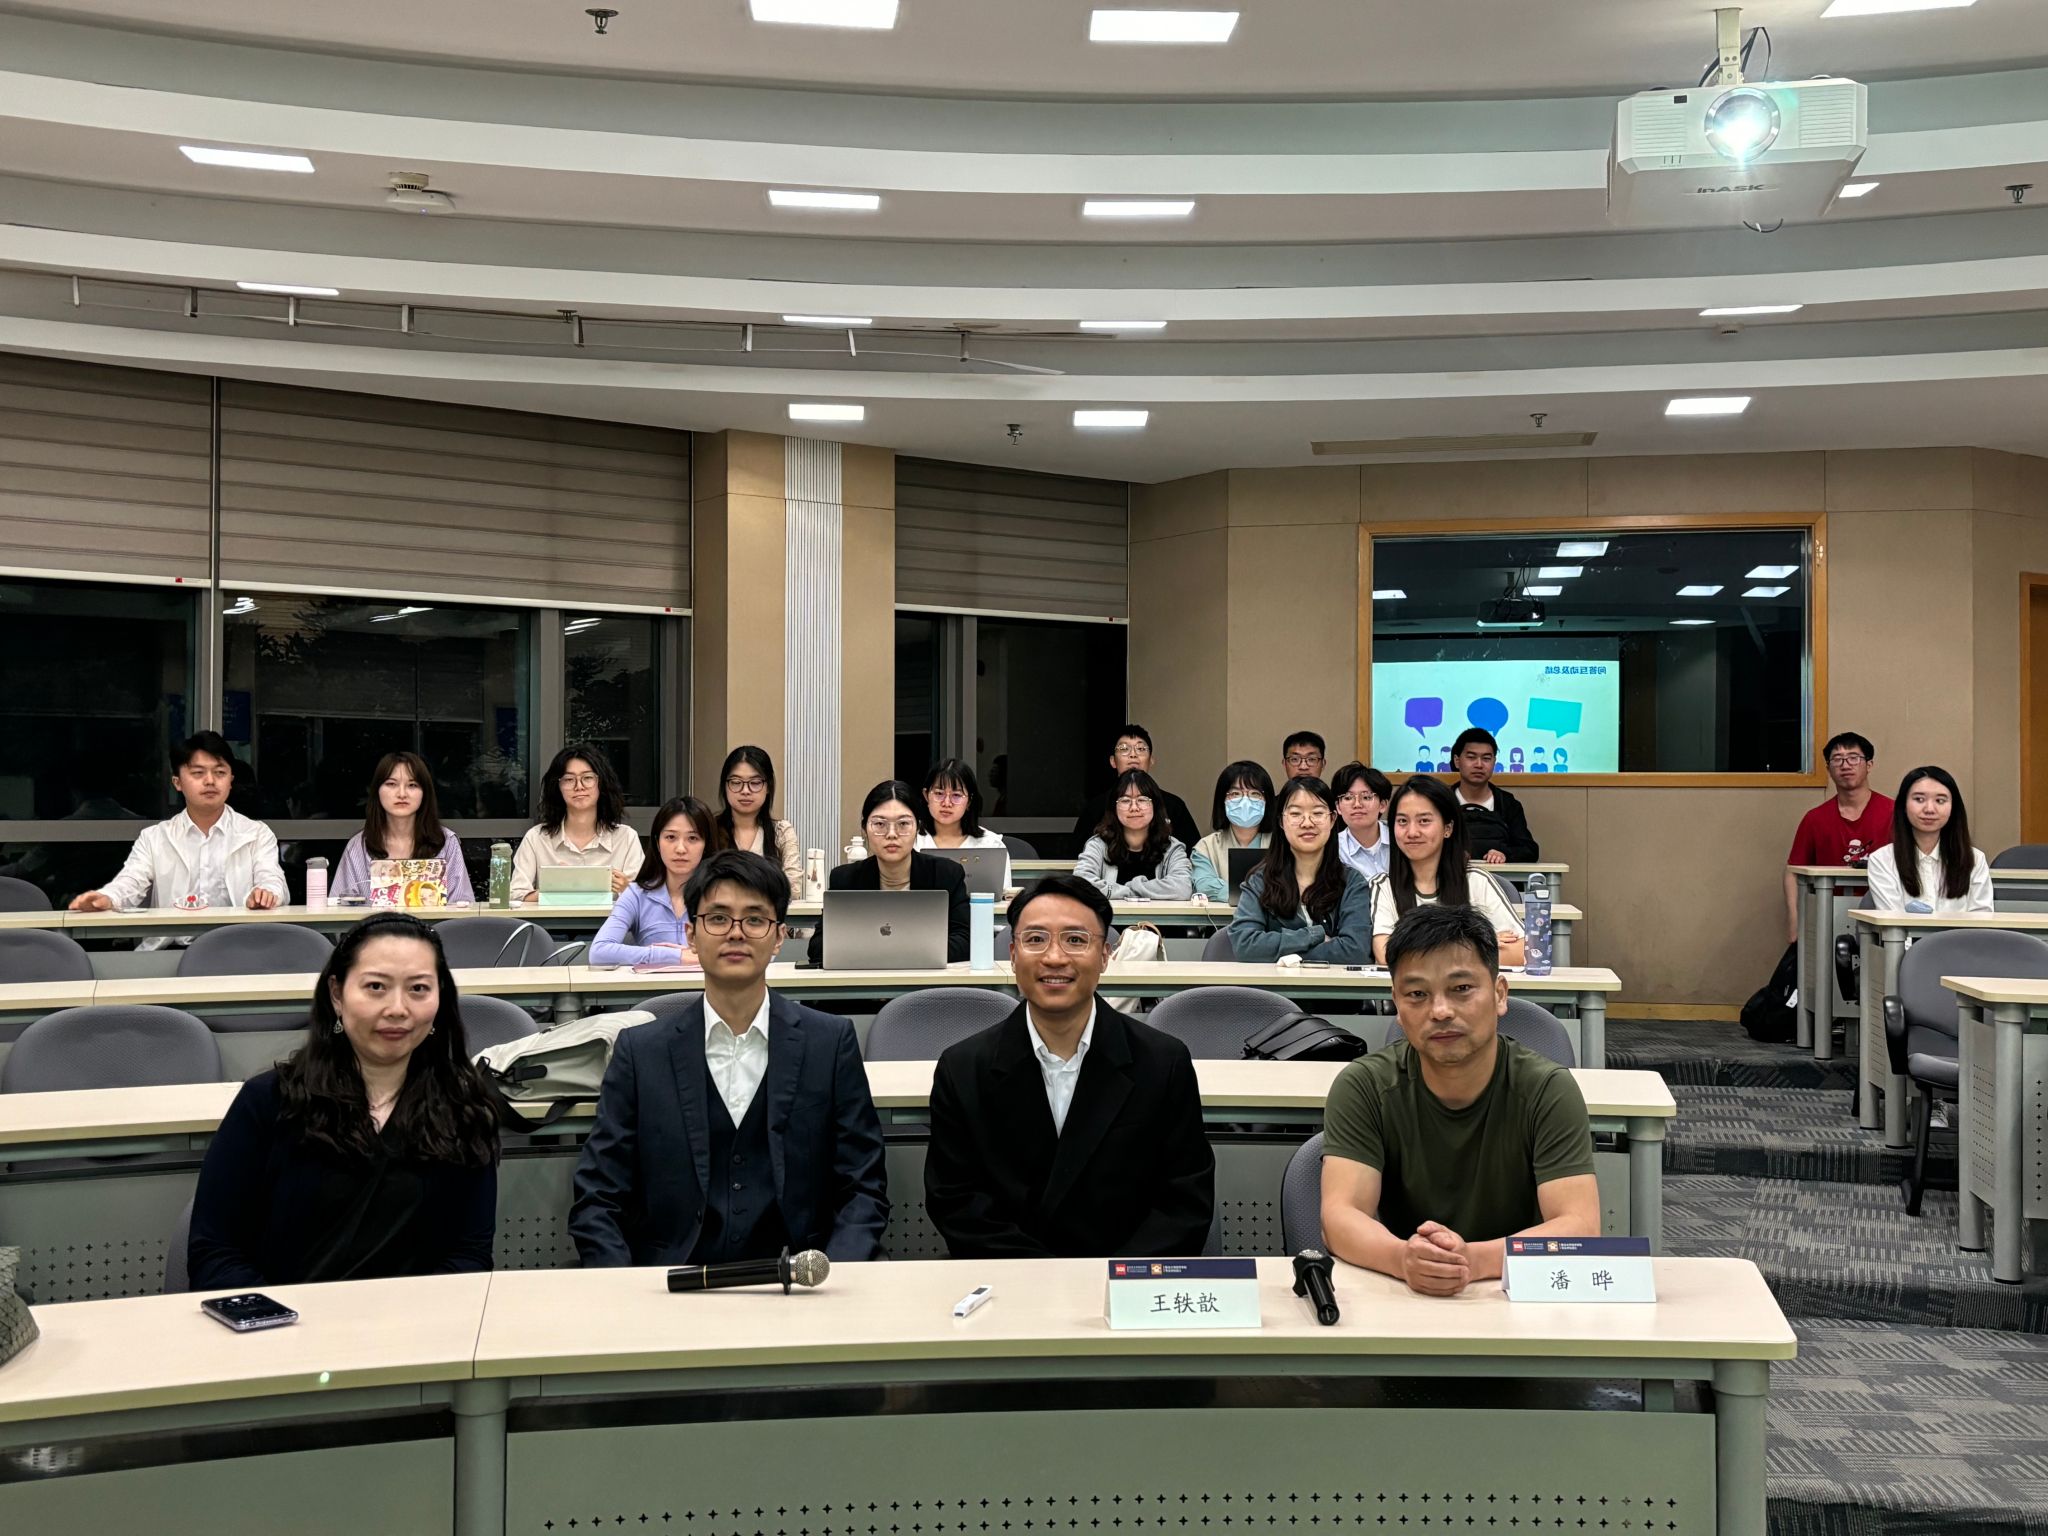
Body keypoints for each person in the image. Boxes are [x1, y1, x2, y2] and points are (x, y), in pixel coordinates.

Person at [570, 850, 889, 1265]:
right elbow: (597, 1197)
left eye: (755, 920)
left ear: (779, 937)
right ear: (691, 935)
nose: (736, 933)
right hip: (670, 1283)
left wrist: (832, 1277)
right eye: (718, 918)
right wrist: (629, 1289)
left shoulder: (829, 1043)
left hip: (800, 1280)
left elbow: (863, 1187)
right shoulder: (640, 1052)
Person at [186, 914, 500, 1286]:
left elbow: (469, 1255)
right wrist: (279, 1316)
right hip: (282, 1318)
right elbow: (215, 1252)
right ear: (337, 994)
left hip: (417, 1320)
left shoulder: (464, 1108)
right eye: (376, 987)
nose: (398, 1008)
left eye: (418, 988)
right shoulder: (268, 1102)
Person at [925, 875, 1214, 1258]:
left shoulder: (1163, 1062)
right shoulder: (963, 1068)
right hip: (1011, 1279)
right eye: (1035, 939)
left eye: (1076, 940)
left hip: (1124, 1280)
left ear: (1105, 956)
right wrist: (1045, 1280)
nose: (1055, 957)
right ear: (1013, 954)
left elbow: (1184, 1200)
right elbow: (957, 1201)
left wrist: (1111, 1278)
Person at [1320, 904, 1599, 1296]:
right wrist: (1403, 1258)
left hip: (1513, 1293)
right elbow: (1340, 1215)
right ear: (1396, 1004)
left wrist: (1472, 1260)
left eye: (1462, 988)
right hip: (1400, 1295)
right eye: (1417, 994)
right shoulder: (1364, 1086)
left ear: (1499, 994)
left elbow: (1580, 1226)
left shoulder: (1547, 1090)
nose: (1440, 1011)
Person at [70, 731, 287, 913]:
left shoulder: (256, 833)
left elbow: (272, 880)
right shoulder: (155, 838)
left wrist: (266, 894)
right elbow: (131, 882)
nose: (210, 781)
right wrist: (107, 898)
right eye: (198, 773)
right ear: (177, 783)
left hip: (234, 944)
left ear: (230, 781)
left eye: (220, 772)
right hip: (173, 944)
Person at [808, 780, 970, 964]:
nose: (891, 834)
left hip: (925, 979)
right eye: (880, 824)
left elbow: (965, 941)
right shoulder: (845, 879)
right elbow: (818, 947)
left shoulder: (946, 874)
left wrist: (882, 951)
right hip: (867, 979)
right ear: (865, 829)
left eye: (903, 824)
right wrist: (909, 951)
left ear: (917, 827)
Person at [1374, 775, 1525, 967]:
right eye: (1402, 821)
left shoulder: (1476, 881)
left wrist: (1414, 948)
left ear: (1448, 828)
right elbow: (1386, 954)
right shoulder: (1384, 885)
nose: (1412, 832)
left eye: (1424, 821)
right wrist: (1476, 946)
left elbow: (1522, 951)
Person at [1227, 777, 1373, 964]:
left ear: (1332, 819)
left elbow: (1356, 951)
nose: (1307, 823)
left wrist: (1286, 954)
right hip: (1274, 983)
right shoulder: (1259, 881)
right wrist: (1315, 935)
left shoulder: (1352, 882)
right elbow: (1245, 945)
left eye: (1317, 813)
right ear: (1281, 821)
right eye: (1296, 814)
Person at [1783, 731, 1894, 944]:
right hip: (1826, 915)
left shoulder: (1894, 813)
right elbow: (1793, 872)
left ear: (1869, 765)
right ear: (1828, 768)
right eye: (1837, 759)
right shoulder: (1815, 818)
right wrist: (1795, 921)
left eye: (1854, 758)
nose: (1845, 765)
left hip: (1882, 915)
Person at [331, 751, 474, 904]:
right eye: (391, 784)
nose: (402, 793)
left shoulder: (446, 842)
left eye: (412, 785)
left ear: (424, 793)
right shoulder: (358, 845)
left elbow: (462, 905)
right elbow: (338, 906)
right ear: (377, 791)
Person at [588, 796, 716, 967]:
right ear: (657, 842)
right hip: (653, 985)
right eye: (671, 837)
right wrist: (676, 956)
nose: (680, 849)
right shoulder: (636, 894)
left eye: (692, 838)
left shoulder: (721, 894)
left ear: (706, 844)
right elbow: (599, 952)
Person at [510, 743, 642, 903]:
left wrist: (627, 889)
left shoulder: (626, 838)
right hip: (553, 920)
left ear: (601, 784)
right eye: (569, 779)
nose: (579, 786)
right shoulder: (536, 838)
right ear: (557, 786)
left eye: (587, 778)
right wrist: (555, 890)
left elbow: (644, 901)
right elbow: (516, 895)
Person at [1863, 766, 1994, 915]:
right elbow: (1892, 923)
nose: (1929, 809)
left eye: (1940, 800)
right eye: (1919, 799)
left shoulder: (1975, 859)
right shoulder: (1882, 860)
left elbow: (1982, 920)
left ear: (1953, 808)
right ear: (1904, 805)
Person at [1069, 724, 1200, 848]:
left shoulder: (1174, 806)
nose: (1133, 755)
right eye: (1124, 749)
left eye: (1141, 749)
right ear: (1113, 761)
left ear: (1151, 760)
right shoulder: (1095, 808)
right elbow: (1075, 857)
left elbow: (1192, 855)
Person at [1074, 769, 1194, 901]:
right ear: (1114, 808)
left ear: (1155, 806)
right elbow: (1080, 885)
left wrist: (1133, 887)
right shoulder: (1098, 845)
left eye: (1142, 800)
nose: (1134, 807)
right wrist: (1129, 892)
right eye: (1125, 800)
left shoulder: (1171, 847)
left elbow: (1183, 889)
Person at [913, 757, 1012, 891]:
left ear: (969, 801)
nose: (946, 803)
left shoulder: (991, 844)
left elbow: (1004, 896)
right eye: (939, 793)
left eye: (956, 795)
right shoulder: (911, 840)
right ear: (926, 795)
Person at [713, 744, 804, 886]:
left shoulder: (781, 832)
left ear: (768, 787)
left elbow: (793, 886)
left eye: (755, 783)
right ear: (725, 786)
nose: (745, 791)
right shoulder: (709, 829)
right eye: (736, 782)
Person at [1448, 729, 1539, 864]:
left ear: (1494, 762)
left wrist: (1505, 854)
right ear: (1457, 761)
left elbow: (1529, 850)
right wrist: (1449, 854)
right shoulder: (1441, 801)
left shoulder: (1508, 804)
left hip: (1499, 876)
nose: (1479, 765)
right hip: (1452, 875)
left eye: (1486, 759)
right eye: (1471, 757)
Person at [1190, 760, 1274, 902]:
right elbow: (1204, 886)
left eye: (1255, 793)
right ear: (1222, 800)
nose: (1245, 801)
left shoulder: (1283, 844)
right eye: (1235, 793)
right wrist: (1260, 896)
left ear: (1267, 800)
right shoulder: (1206, 847)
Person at [1331, 762, 1393, 883]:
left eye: (1366, 797)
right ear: (1338, 807)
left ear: (1382, 805)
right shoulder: (1333, 849)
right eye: (1348, 797)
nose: (1357, 804)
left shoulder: (1400, 838)